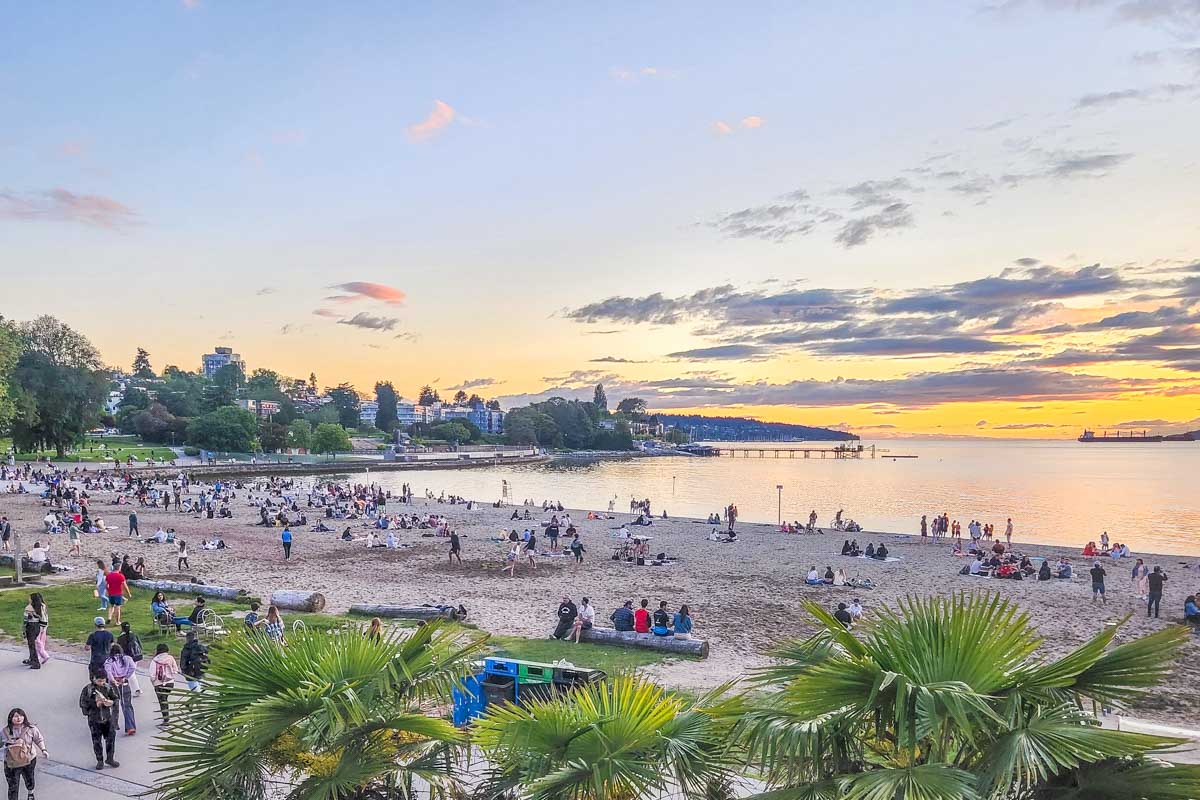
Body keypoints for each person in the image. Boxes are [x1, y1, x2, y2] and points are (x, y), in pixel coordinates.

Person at [2, 707, 47, 800]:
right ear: (10, 718)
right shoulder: (4, 732)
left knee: (29, 778)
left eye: (21, 716)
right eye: (15, 716)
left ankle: (30, 793)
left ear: (24, 717)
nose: (18, 718)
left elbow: (39, 739)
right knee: (13, 785)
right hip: (11, 763)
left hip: (29, 759)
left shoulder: (31, 729)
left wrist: (43, 750)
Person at [79, 672, 120, 769]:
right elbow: (82, 703)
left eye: (103, 680)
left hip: (107, 717)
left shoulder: (108, 687)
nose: (101, 683)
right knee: (97, 741)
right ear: (94, 679)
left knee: (111, 739)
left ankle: (110, 758)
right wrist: (94, 704)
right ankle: (100, 760)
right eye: (99, 681)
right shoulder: (88, 689)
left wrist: (112, 702)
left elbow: (116, 698)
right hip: (94, 719)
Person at [104, 644, 138, 736]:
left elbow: (108, 672)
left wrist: (113, 680)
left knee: (114, 705)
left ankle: (114, 726)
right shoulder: (127, 658)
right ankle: (130, 727)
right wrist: (126, 676)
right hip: (124, 683)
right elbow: (133, 667)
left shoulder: (109, 661)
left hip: (114, 685)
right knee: (127, 705)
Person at [150, 643, 179, 725]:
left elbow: (152, 675)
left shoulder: (154, 660)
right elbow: (175, 670)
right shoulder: (170, 658)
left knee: (162, 701)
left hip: (158, 684)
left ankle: (166, 719)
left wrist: (154, 683)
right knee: (165, 699)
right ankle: (166, 718)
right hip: (169, 683)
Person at [117, 622, 144, 696]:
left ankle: (136, 689)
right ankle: (131, 686)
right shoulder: (134, 635)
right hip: (137, 656)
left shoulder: (121, 638)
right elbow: (140, 645)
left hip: (128, 657)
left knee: (131, 672)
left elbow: (119, 649)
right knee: (132, 671)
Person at [21, 594, 47, 670]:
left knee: (31, 645)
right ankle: (32, 659)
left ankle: (35, 663)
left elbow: (25, 620)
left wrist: (24, 629)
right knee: (33, 644)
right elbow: (44, 618)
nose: (28, 599)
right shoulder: (41, 606)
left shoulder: (28, 608)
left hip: (30, 626)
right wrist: (42, 627)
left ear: (32, 599)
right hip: (37, 627)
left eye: (29, 598)